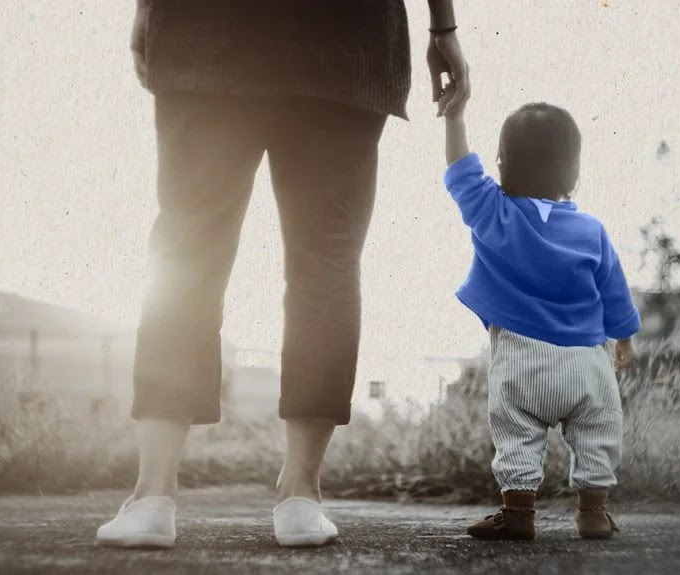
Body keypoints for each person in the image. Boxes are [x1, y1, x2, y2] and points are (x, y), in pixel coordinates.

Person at [97, 0, 470, 549]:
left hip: (206, 32)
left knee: (186, 252)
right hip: (344, 41)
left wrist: (146, 11)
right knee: (327, 258)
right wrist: (443, 27)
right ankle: (300, 494)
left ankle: (152, 495)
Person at [437, 85, 640, 541]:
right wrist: (624, 338)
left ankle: (518, 513)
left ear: (503, 165)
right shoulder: (591, 230)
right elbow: (615, 290)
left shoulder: (494, 213)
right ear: (573, 170)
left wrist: (455, 117)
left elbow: (461, 172)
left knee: (516, 435)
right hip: (587, 361)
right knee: (597, 433)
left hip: (520, 359)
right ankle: (593, 513)